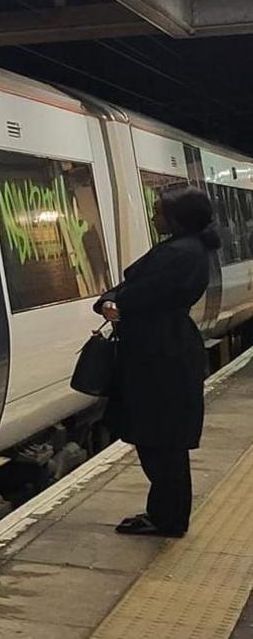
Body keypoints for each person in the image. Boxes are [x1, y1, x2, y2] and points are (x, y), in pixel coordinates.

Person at [95, 183, 218, 538]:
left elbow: (134, 295)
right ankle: (164, 513)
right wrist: (113, 299)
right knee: (163, 441)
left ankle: (168, 519)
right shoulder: (188, 249)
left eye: (158, 211)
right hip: (166, 352)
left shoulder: (179, 254)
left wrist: (112, 301)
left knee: (160, 441)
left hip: (161, 358)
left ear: (177, 217)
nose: (153, 216)